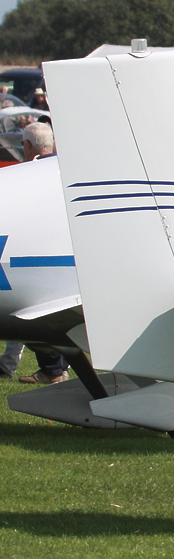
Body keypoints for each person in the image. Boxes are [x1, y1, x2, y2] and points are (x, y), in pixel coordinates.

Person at [4, 122, 68, 384]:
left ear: (28, 146)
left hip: (40, 261)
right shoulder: (65, 171)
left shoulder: (33, 175)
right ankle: (52, 370)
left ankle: (52, 370)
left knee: (35, 314)